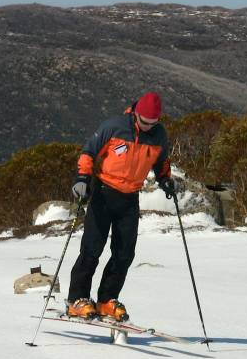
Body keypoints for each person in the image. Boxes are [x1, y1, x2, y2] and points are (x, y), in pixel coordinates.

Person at [67, 92, 175, 321]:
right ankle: (77, 299)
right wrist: (82, 179)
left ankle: (106, 300)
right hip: (103, 192)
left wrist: (165, 179)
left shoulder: (159, 135)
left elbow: (161, 161)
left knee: (124, 253)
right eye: (144, 122)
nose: (148, 127)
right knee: (92, 249)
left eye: (153, 123)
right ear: (136, 114)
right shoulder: (114, 127)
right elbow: (88, 152)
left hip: (129, 198)